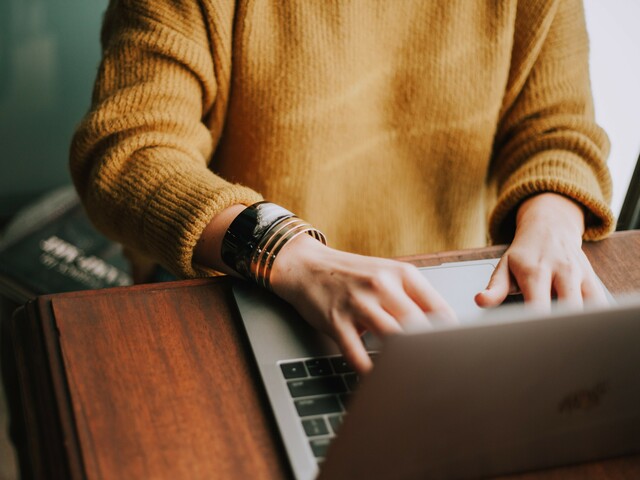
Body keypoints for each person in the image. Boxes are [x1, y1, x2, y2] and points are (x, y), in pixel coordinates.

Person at [70, 0, 615, 374]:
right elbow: (128, 151)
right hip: (239, 286)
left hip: (445, 303)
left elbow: (558, 130)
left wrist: (554, 220)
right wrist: (285, 252)